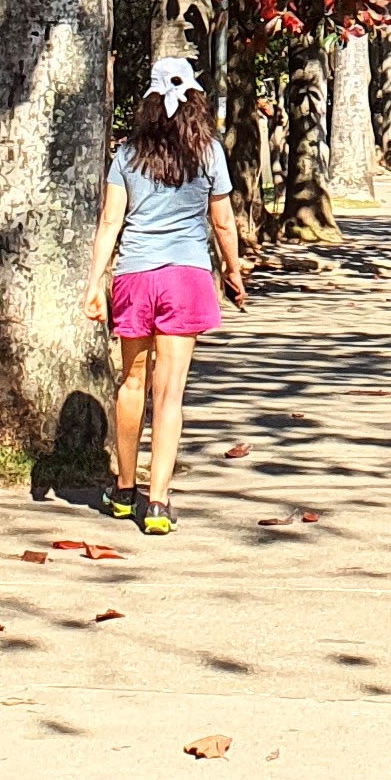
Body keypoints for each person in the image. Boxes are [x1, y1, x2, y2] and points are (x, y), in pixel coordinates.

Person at [85, 51, 248, 531]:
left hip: (135, 276)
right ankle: (157, 503)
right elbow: (222, 221)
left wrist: (96, 281)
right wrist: (234, 272)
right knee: (170, 395)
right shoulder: (209, 153)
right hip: (187, 275)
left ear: (150, 100)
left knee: (132, 383)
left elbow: (110, 221)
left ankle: (123, 487)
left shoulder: (127, 154)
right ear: (194, 96)